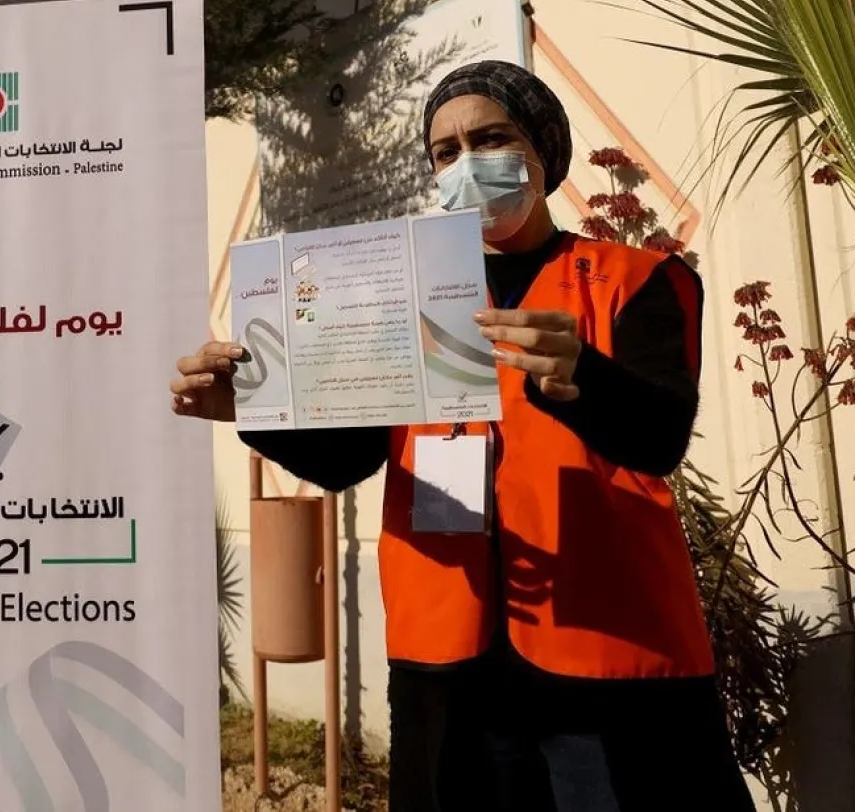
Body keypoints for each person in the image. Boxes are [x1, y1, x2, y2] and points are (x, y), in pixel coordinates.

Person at [170, 60, 756, 812]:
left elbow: (659, 436)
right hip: (448, 664)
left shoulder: (634, 279)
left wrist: (584, 376)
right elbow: (350, 456)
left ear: (542, 150)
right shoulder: (400, 294)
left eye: (491, 138)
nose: (466, 162)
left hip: (608, 660)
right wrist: (248, 406)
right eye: (445, 151)